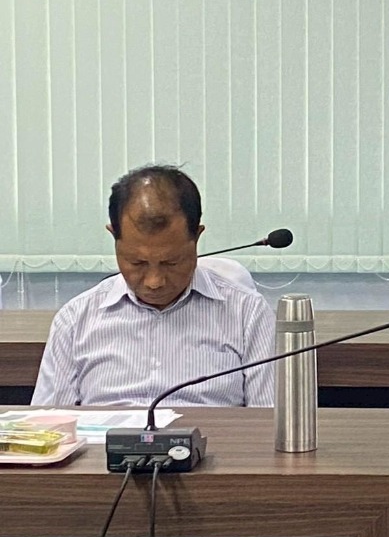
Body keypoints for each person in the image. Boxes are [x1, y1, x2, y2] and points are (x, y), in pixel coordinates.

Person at [32, 165, 275, 407]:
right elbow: (47, 424)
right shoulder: (75, 319)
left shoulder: (248, 314)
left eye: (171, 262)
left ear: (197, 237)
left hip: (210, 433)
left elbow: (271, 417)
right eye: (137, 263)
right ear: (114, 236)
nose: (154, 282)